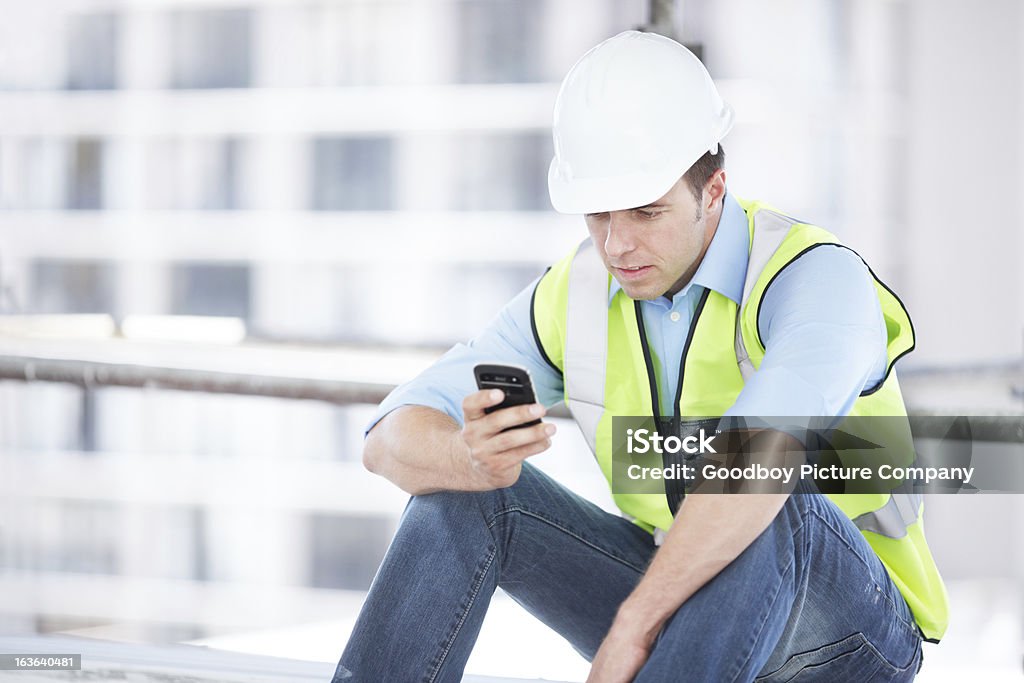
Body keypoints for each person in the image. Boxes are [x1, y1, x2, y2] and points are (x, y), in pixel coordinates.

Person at [334, 31, 947, 682]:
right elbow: (387, 435)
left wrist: (633, 625)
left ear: (713, 190)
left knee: (770, 484)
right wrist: (466, 456)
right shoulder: (575, 296)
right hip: (686, 608)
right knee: (461, 493)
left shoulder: (815, 279)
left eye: (645, 211)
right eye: (597, 215)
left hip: (852, 632)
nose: (617, 244)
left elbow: (760, 456)